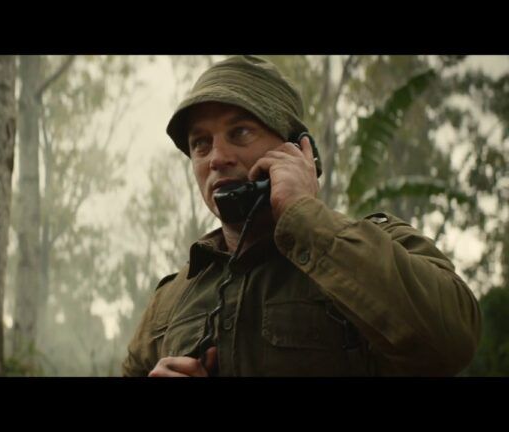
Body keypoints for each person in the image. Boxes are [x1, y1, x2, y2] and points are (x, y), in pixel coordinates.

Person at [122, 55, 481, 377]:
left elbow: (453, 341)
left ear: (297, 150)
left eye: (240, 132)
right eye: (201, 143)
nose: (216, 158)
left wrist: (305, 216)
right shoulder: (171, 298)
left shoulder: (384, 247)